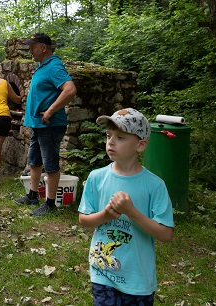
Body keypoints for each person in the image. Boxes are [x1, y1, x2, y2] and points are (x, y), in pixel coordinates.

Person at [79, 109, 174, 305]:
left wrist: (131, 212)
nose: (111, 142)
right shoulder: (96, 178)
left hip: (138, 279)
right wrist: (106, 215)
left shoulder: (154, 185)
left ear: (140, 145)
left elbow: (165, 234)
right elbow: (83, 220)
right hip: (103, 272)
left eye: (120, 137)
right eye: (108, 136)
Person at [14, 33, 77, 216]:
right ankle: (33, 196)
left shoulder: (54, 66)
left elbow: (70, 89)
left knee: (50, 164)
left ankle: (50, 204)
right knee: (34, 161)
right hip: (39, 125)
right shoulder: (42, 66)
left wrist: (50, 110)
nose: (30, 51)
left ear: (43, 48)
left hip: (50, 124)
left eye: (33, 47)